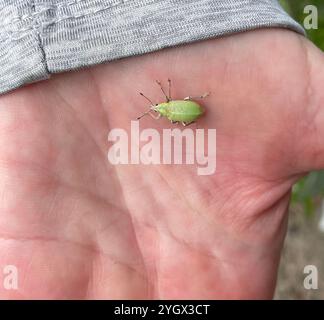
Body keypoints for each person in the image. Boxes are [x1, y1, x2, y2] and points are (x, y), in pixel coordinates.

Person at [0, 0, 323, 299]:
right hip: (190, 109)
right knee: (179, 113)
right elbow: (178, 111)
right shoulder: (170, 110)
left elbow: (179, 109)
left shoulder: (169, 107)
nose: (158, 110)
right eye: (158, 111)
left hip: (191, 109)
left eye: (158, 109)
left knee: (179, 112)